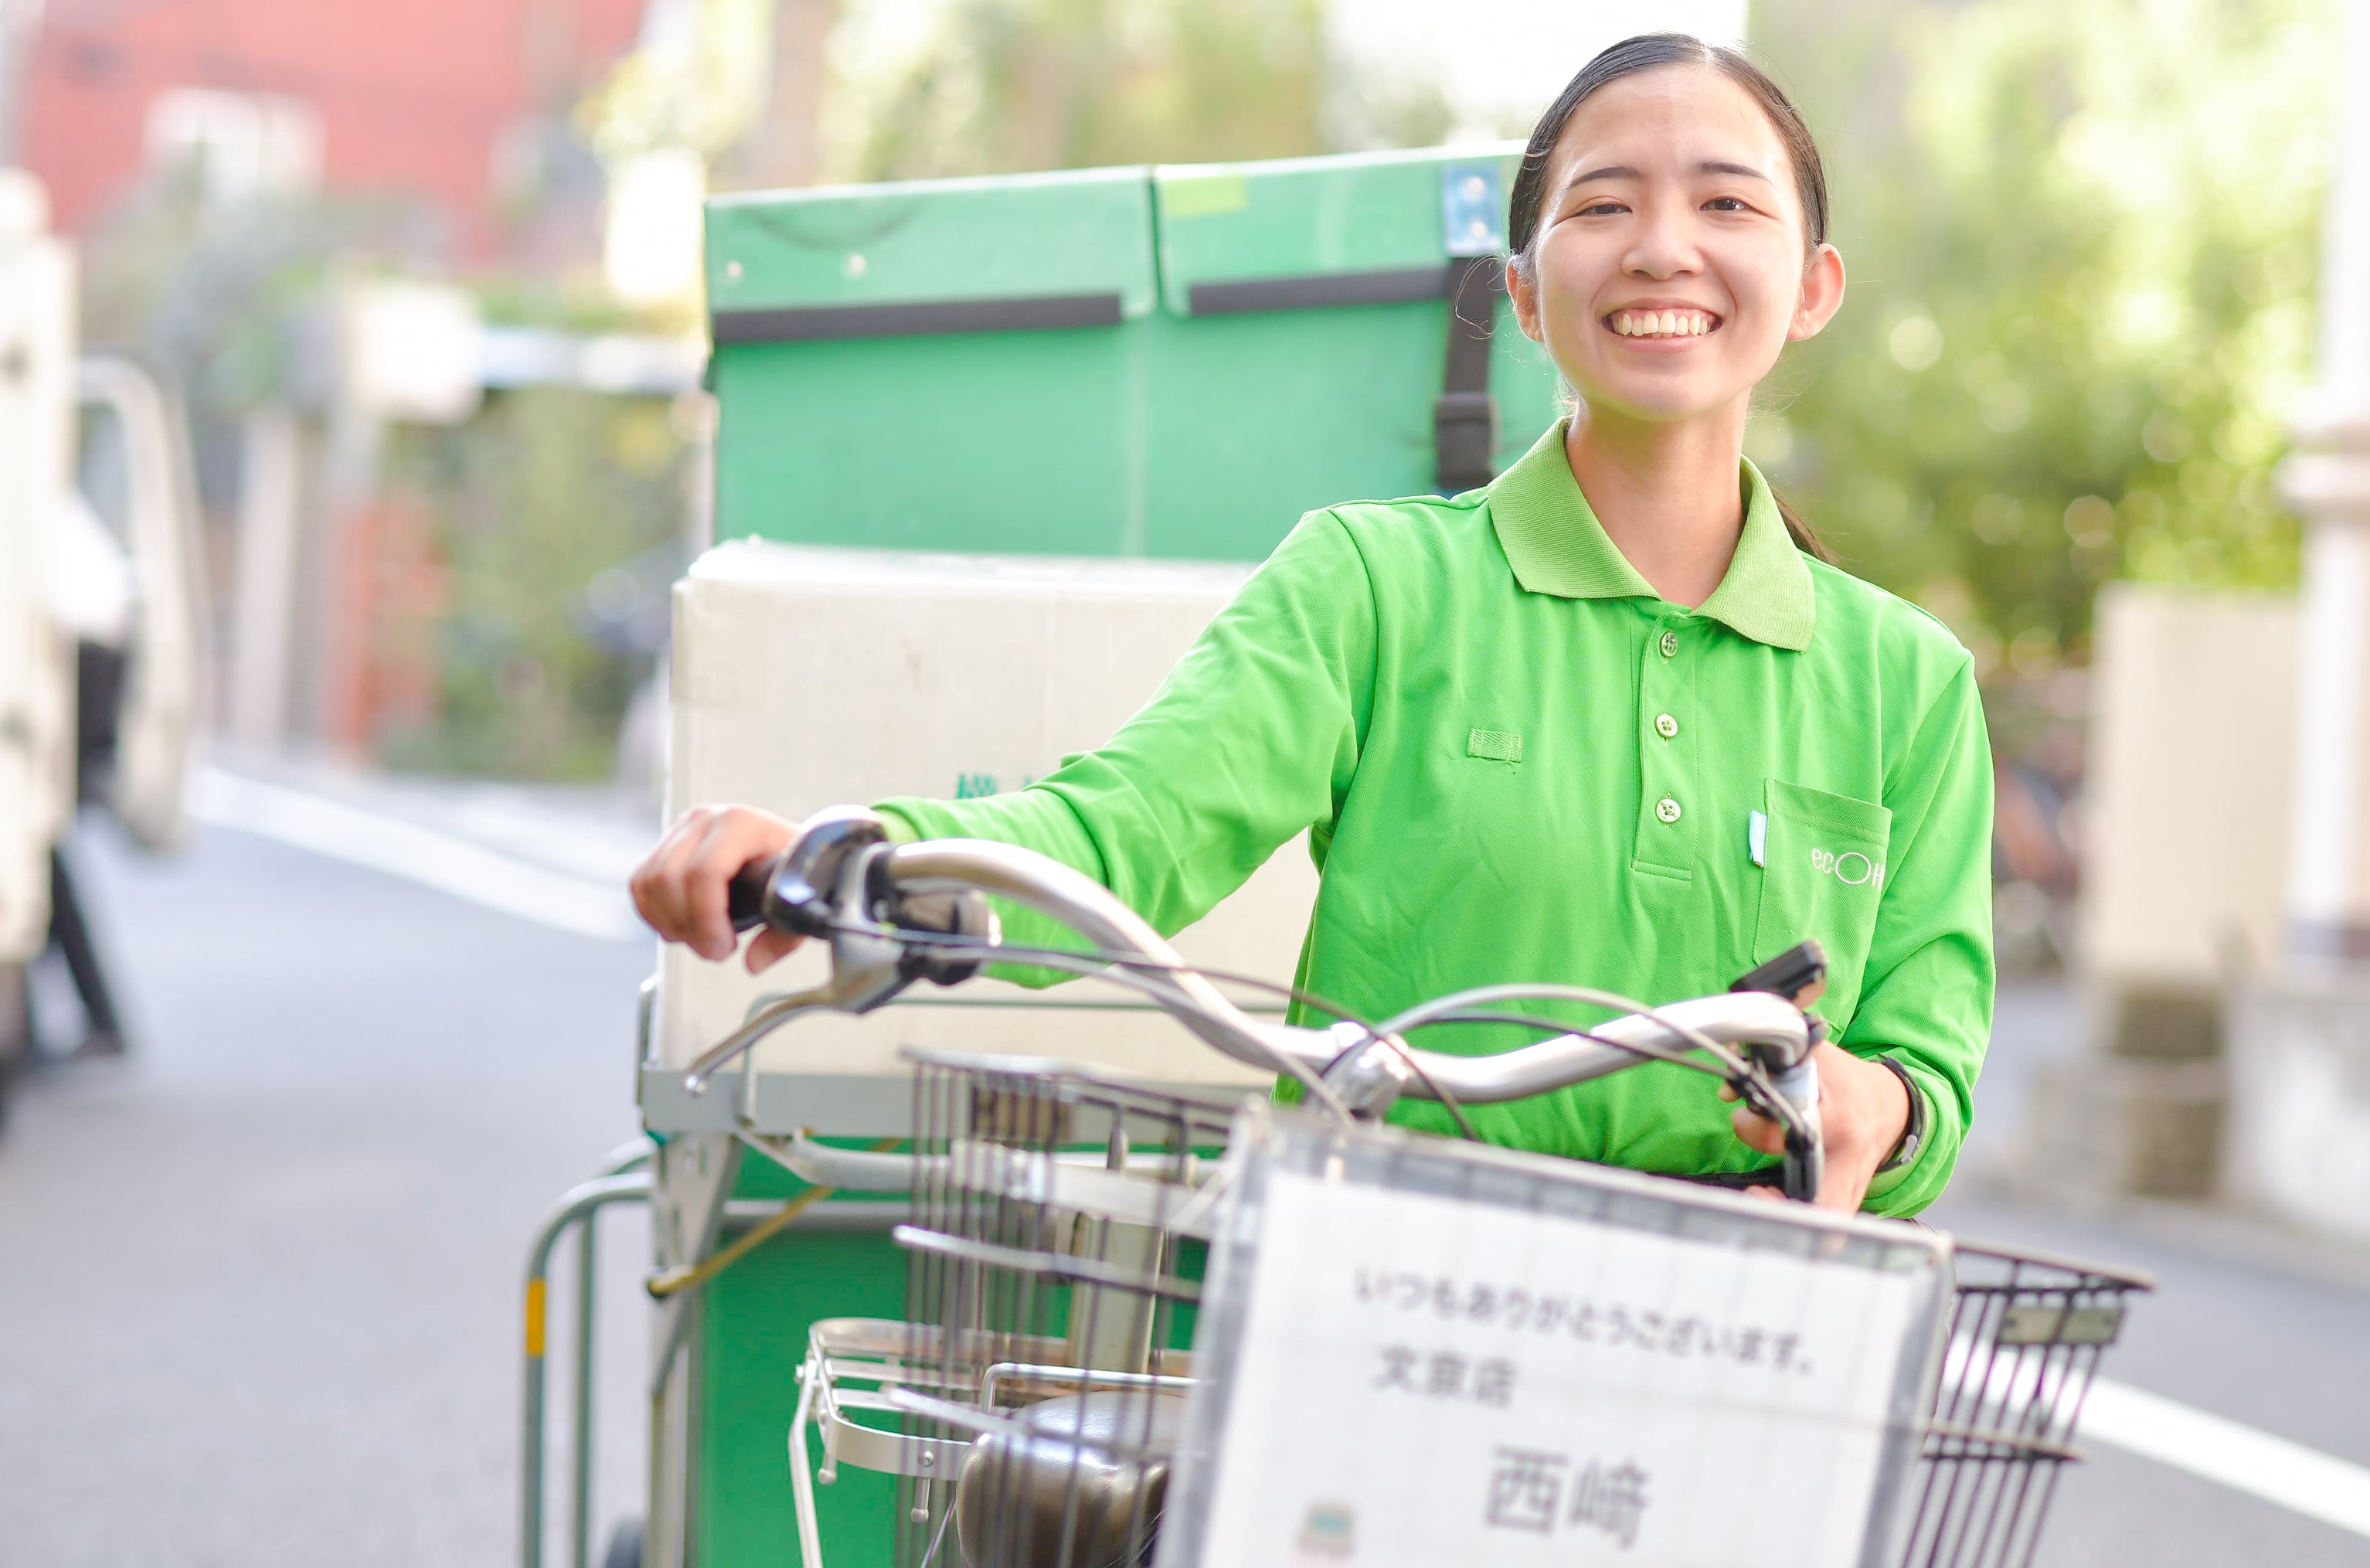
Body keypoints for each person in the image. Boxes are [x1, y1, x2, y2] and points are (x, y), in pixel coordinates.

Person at [631, 32, 1994, 1216]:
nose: (1662, 246)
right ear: (1523, 293)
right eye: (1606, 202)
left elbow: (1926, 1073)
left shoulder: (1907, 683)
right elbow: (1119, 837)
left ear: (1812, 287)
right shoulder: (1371, 583)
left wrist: (1879, 1104)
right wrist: (858, 849)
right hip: (1381, 1270)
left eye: (1726, 202)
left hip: (1745, 1325)